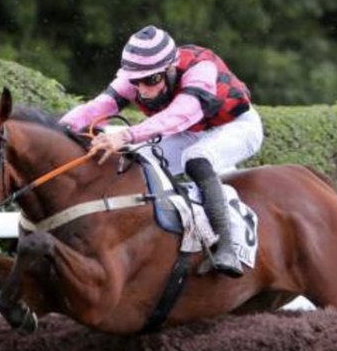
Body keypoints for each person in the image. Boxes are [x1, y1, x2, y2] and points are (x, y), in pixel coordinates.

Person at [59, 25, 263, 278]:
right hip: (190, 130)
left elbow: (180, 114)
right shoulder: (136, 76)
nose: (143, 90)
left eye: (151, 80)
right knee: (135, 161)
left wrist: (125, 135)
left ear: (170, 69)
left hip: (236, 125)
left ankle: (227, 246)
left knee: (195, 158)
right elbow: (96, 108)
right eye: (136, 82)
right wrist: (57, 129)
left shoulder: (201, 69)